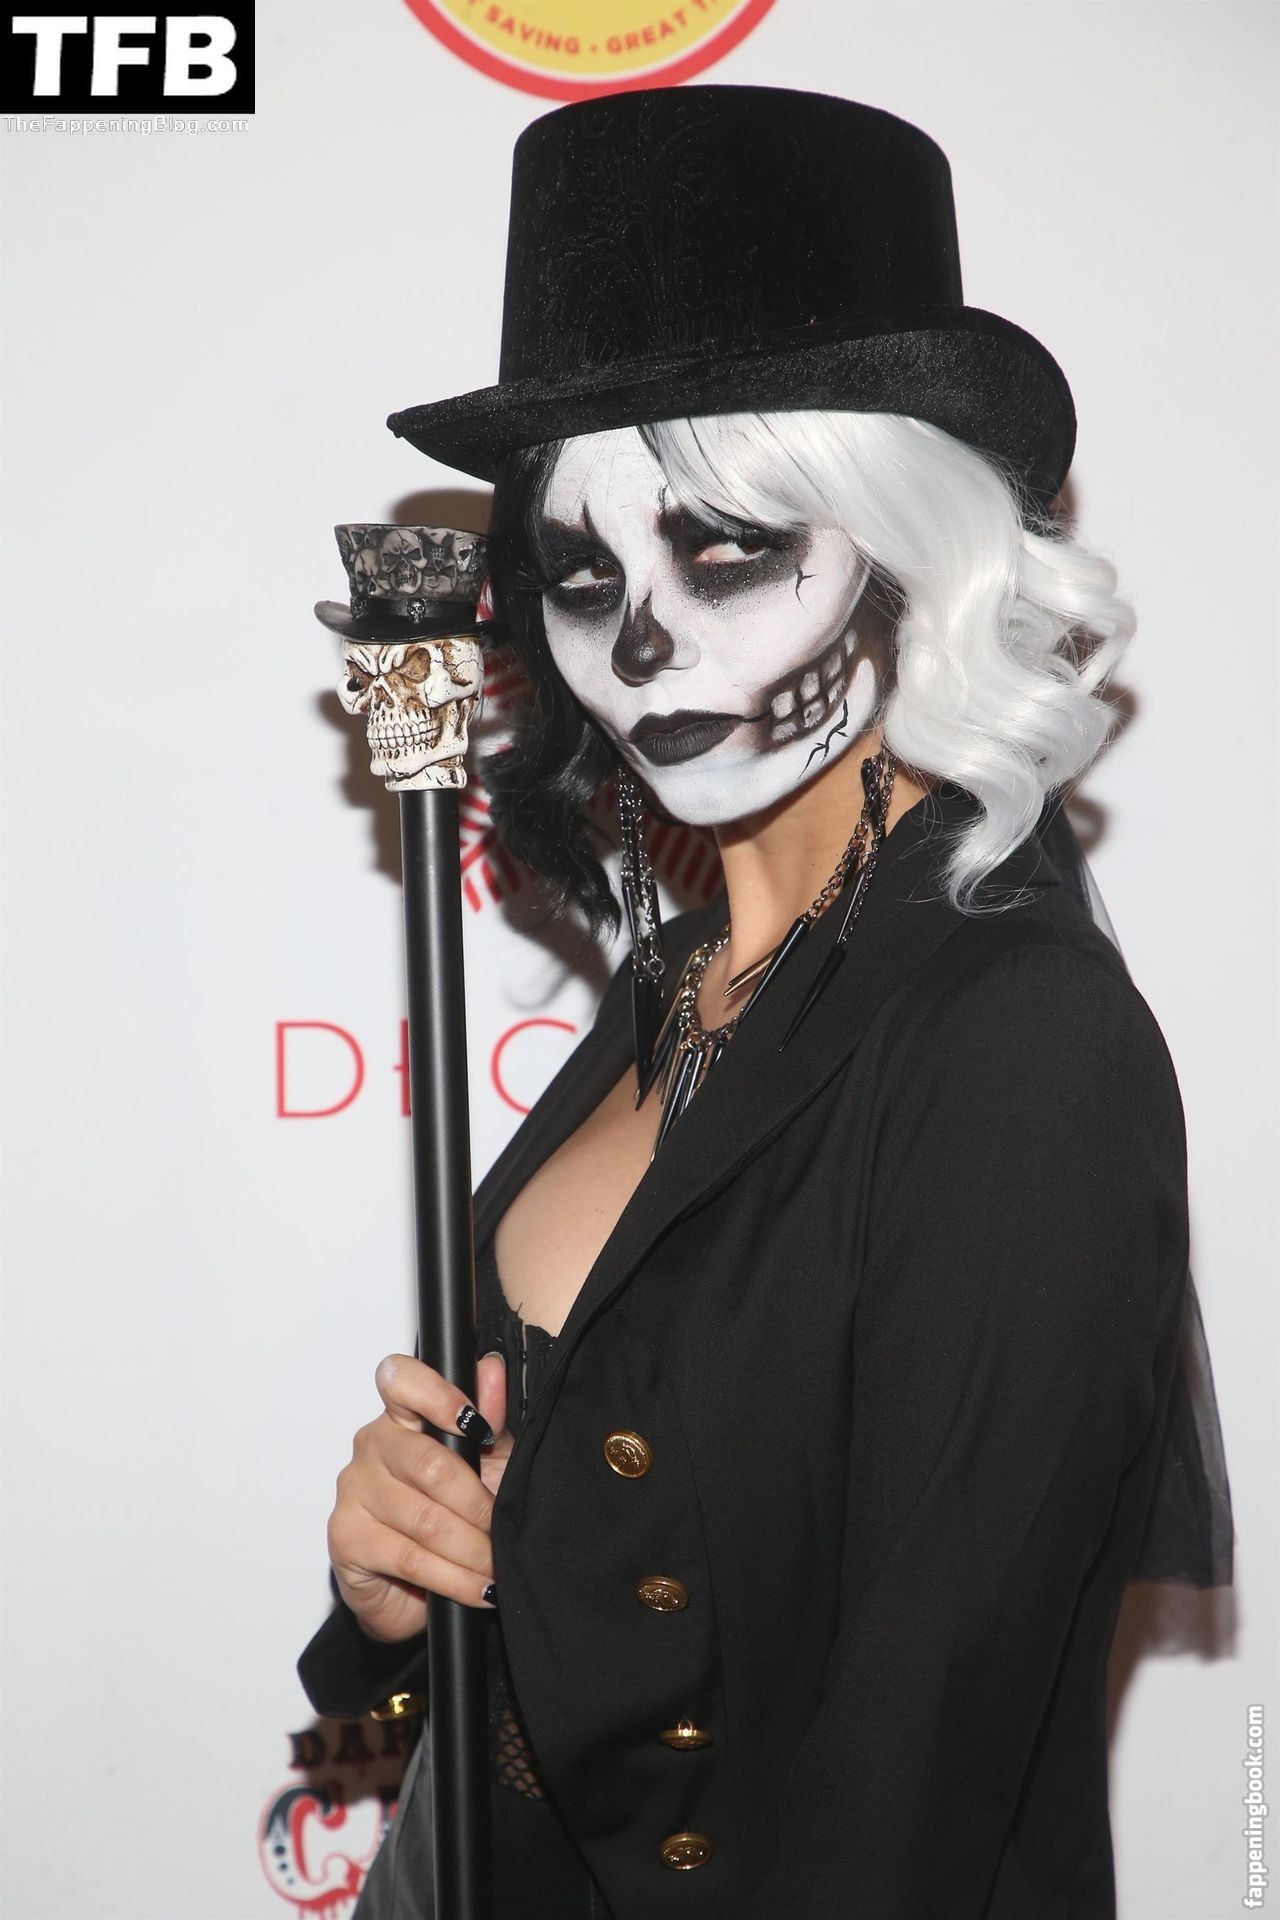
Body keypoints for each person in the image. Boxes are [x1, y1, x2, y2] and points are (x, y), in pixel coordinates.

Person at [296, 87, 1232, 1919]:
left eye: (726, 546)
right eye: (583, 577)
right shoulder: (678, 983)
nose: (643, 645)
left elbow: (917, 1771)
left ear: (910, 540)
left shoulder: (1018, 1042)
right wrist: (396, 1591)